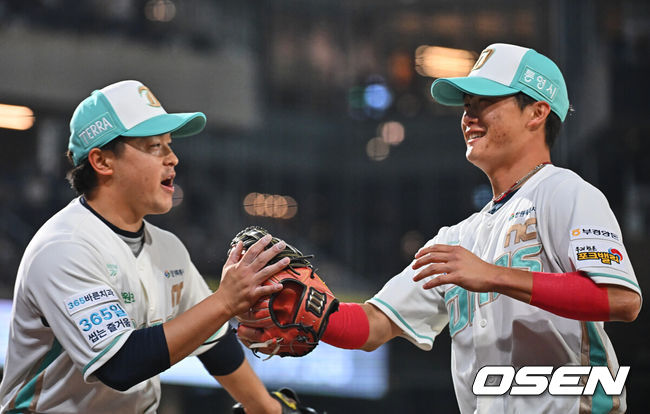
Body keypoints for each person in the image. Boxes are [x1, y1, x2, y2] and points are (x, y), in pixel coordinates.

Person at [319, 43, 642, 413]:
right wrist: (312, 313)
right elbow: (374, 324)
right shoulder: (456, 239)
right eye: (467, 105)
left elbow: (621, 299)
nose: (468, 117)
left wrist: (494, 275)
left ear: (536, 112)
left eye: (485, 102)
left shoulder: (565, 192)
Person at [0, 80, 314, 413]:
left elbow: (214, 342)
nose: (173, 158)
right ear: (102, 161)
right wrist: (224, 301)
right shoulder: (64, 246)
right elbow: (120, 365)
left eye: (169, 145)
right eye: (154, 147)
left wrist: (266, 408)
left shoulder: (168, 247)